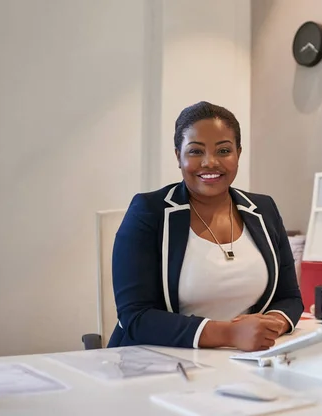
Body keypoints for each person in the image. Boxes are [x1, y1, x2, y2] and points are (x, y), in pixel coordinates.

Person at [107, 101, 304, 352]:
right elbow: (135, 317)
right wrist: (230, 334)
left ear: (238, 154)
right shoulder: (148, 211)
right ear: (178, 156)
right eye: (196, 151)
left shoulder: (263, 209)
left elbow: (289, 297)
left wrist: (272, 325)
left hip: (241, 362)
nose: (210, 162)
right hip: (157, 364)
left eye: (223, 151)